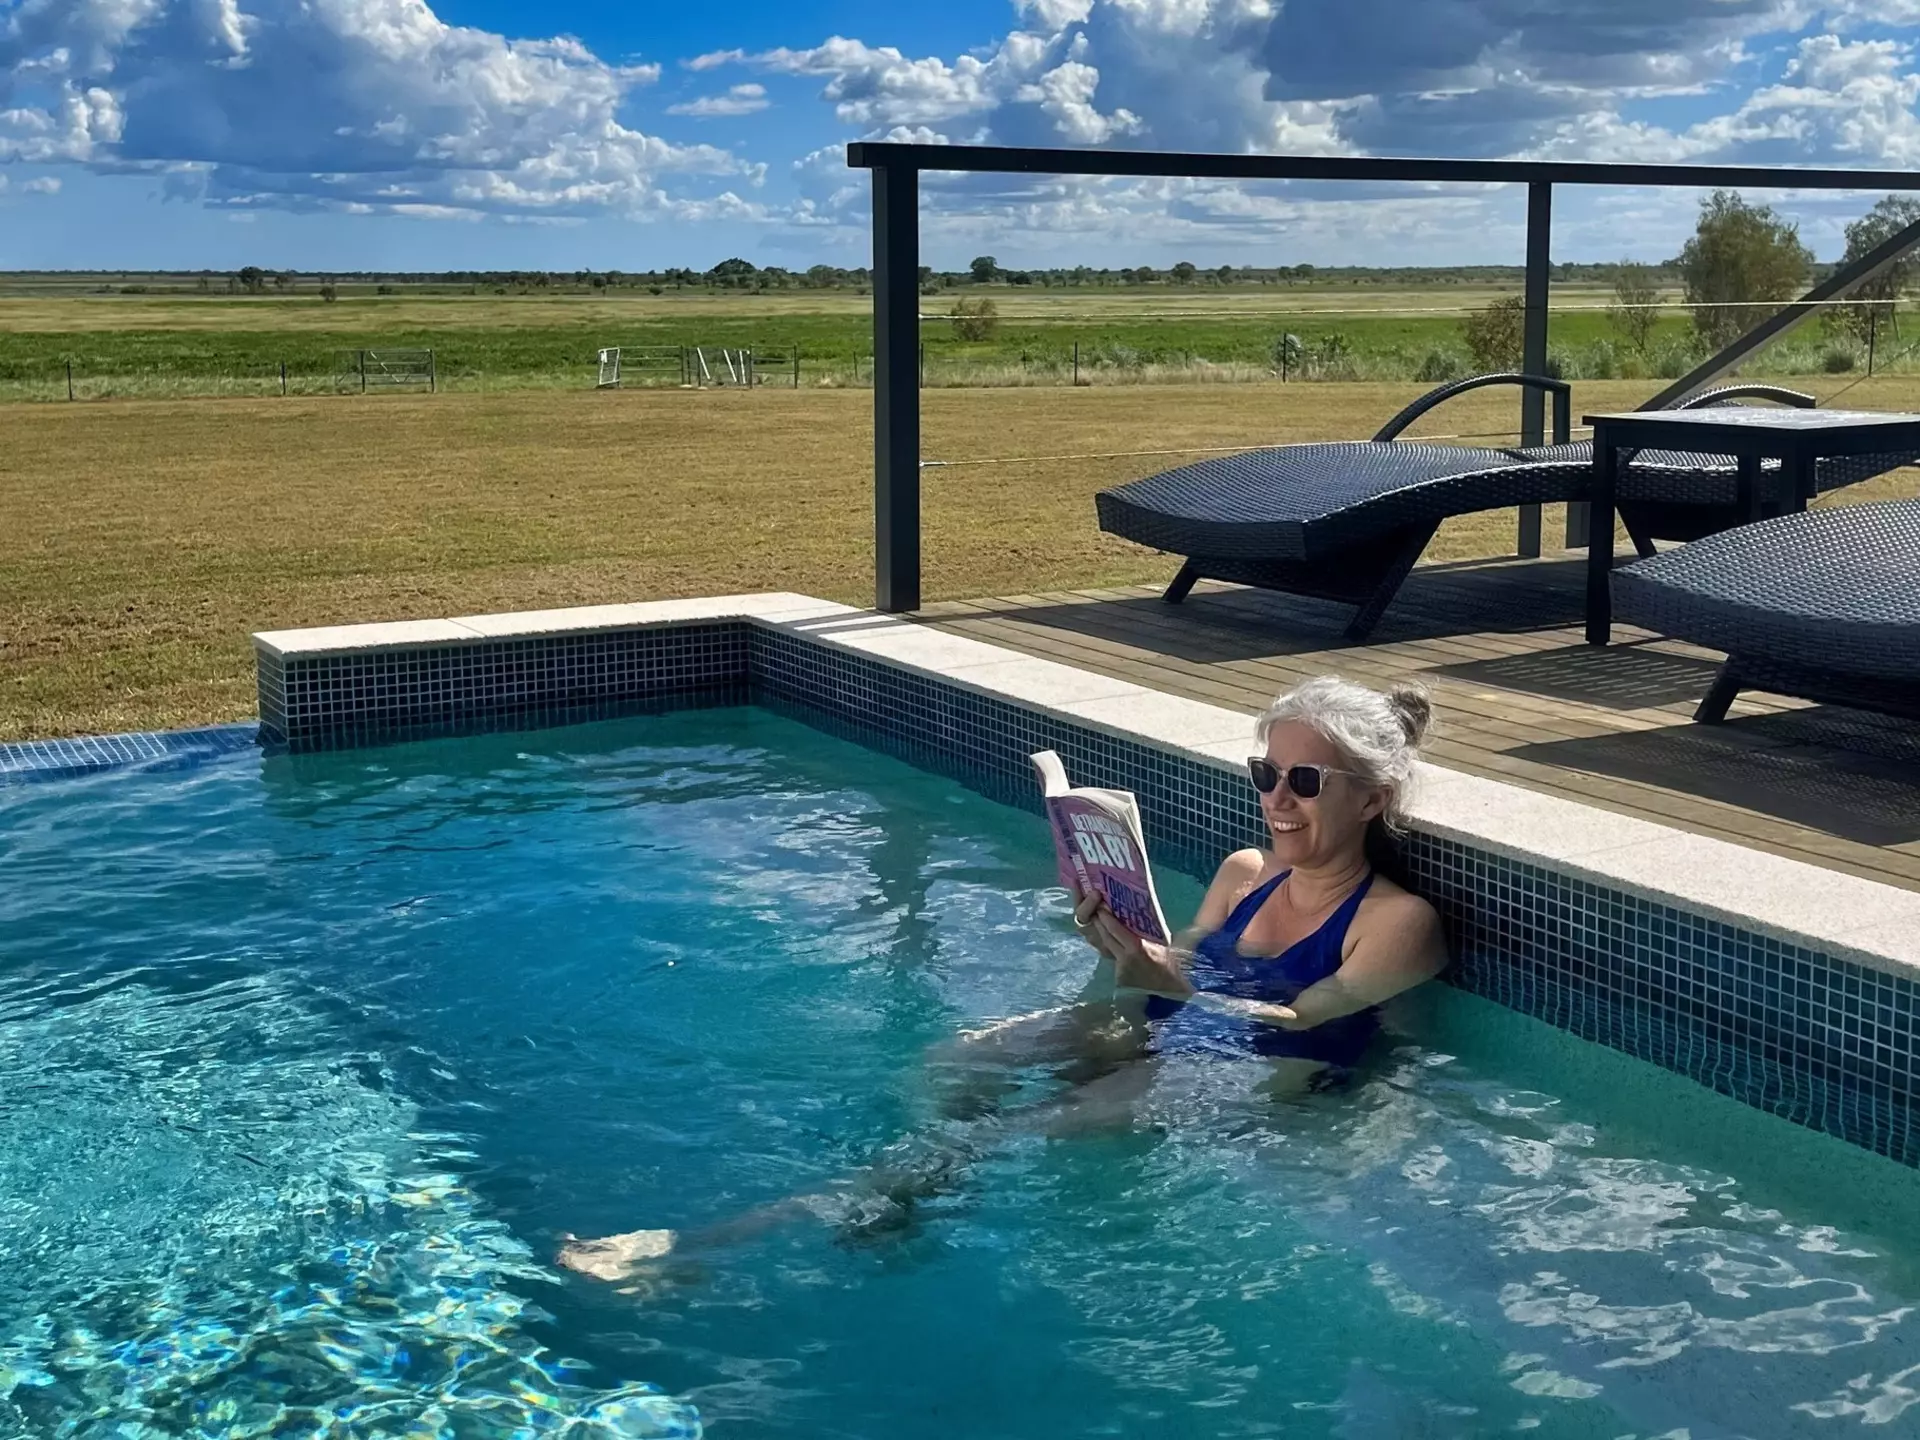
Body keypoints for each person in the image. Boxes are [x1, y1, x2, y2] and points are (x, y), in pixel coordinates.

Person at [558, 676, 1449, 1284]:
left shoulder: (1395, 923)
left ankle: (703, 1247)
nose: (1276, 798)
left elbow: (1294, 1018)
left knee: (1019, 1126)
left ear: (1372, 798)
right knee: (956, 1062)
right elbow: (1179, 965)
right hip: (1167, 1026)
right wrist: (1123, 940)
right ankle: (926, 1184)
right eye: (1266, 774)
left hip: (1255, 1071)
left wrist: (1158, 980)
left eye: (1303, 779)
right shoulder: (1245, 869)